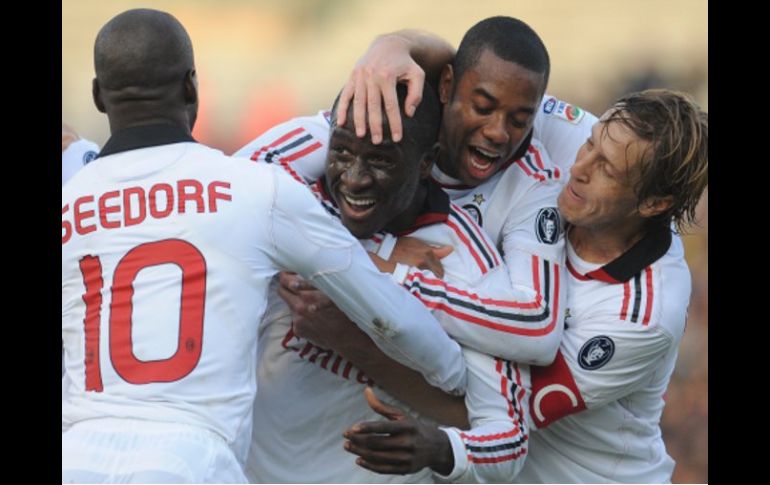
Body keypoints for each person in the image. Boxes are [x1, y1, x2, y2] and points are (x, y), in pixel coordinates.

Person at [61, 9, 466, 483]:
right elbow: (392, 318)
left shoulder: (70, 195)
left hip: (78, 457)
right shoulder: (257, 188)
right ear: (193, 87)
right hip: (191, 460)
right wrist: (459, 379)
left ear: (97, 96)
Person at [344, 89, 708, 483]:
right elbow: (467, 77)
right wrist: (393, 48)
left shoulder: (643, 315)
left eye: (607, 169)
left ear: (654, 203)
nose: (579, 167)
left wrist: (355, 347)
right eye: (590, 144)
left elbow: (502, 405)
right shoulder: (588, 147)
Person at [237, 16, 570, 368]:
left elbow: (538, 331)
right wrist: (379, 256)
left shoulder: (534, 186)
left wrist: (396, 279)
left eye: (519, 120)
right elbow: (235, 189)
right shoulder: (383, 117)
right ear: (447, 87)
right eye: (483, 108)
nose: (498, 132)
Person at [247, 84, 534, 483]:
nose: (354, 179)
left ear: (425, 162)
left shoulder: (470, 264)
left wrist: (437, 447)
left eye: (381, 160)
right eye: (341, 152)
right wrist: (372, 262)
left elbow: (510, 439)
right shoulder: (298, 204)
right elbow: (226, 183)